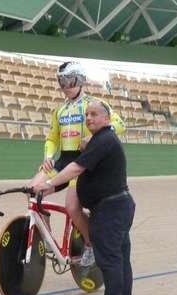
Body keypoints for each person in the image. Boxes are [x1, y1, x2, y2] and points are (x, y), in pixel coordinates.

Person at [33, 100, 135, 295]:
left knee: (110, 259)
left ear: (107, 119)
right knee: (120, 256)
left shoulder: (104, 139)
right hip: (116, 207)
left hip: (111, 208)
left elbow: (75, 168)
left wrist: (49, 184)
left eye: (95, 114)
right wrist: (49, 190)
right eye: (87, 114)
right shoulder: (101, 140)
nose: (89, 118)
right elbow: (78, 173)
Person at [28, 62, 125, 267]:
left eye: (69, 80)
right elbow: (51, 138)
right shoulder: (60, 110)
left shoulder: (93, 105)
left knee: (72, 207)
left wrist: (95, 138)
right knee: (32, 191)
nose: (65, 86)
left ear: (80, 80)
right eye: (61, 81)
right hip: (63, 160)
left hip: (81, 163)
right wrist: (48, 155)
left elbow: (119, 124)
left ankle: (91, 243)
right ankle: (47, 238)